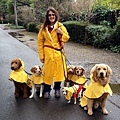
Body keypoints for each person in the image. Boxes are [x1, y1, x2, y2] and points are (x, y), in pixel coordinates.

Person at [37, 6, 70, 99]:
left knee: (58, 72)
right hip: (48, 53)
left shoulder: (60, 26)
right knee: (47, 73)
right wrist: (41, 55)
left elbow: (67, 38)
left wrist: (61, 33)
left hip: (58, 53)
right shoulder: (43, 28)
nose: (51, 16)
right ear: (47, 17)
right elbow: (40, 42)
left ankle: (57, 89)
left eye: (53, 14)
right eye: (49, 15)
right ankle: (46, 90)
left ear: (56, 15)